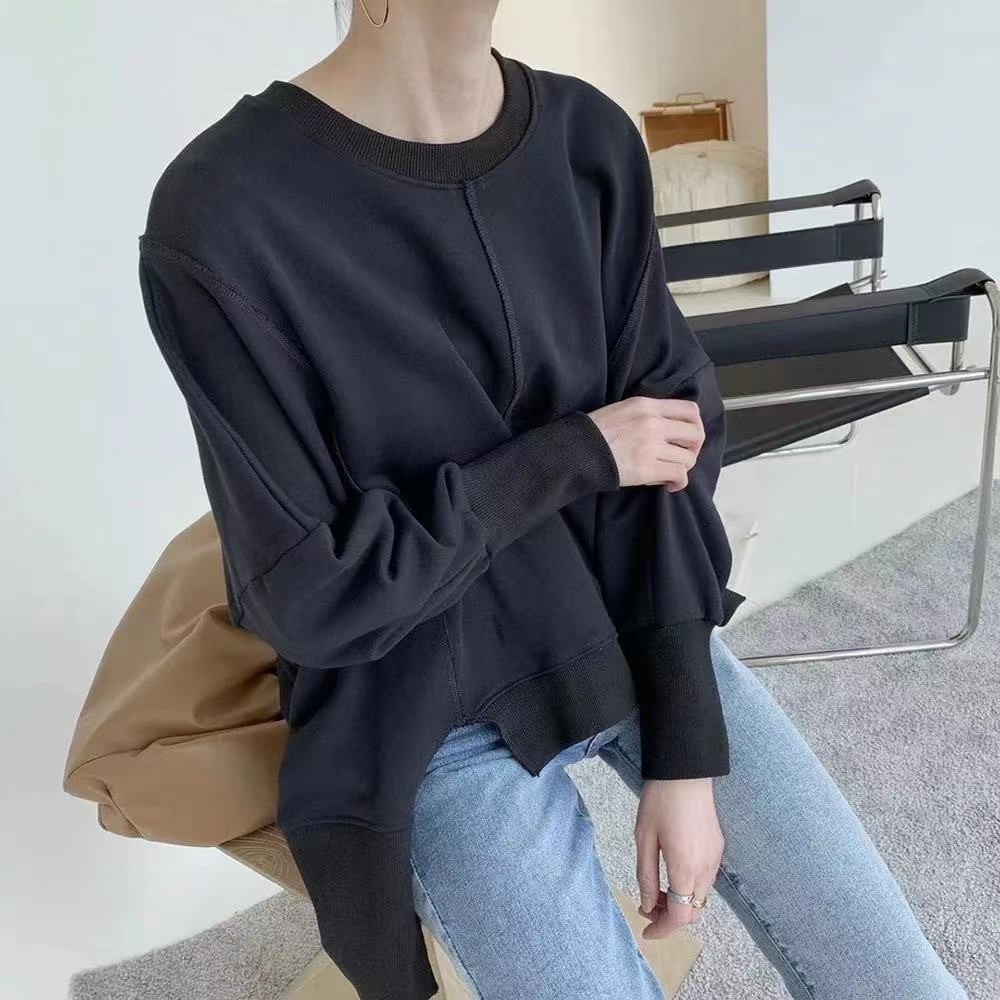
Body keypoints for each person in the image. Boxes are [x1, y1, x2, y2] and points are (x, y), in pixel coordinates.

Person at [134, 1, 968, 997]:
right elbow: (309, 592)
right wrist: (575, 455)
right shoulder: (223, 210)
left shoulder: (585, 139)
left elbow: (671, 448)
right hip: (422, 709)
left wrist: (685, 747)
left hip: (627, 623)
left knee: (905, 983)